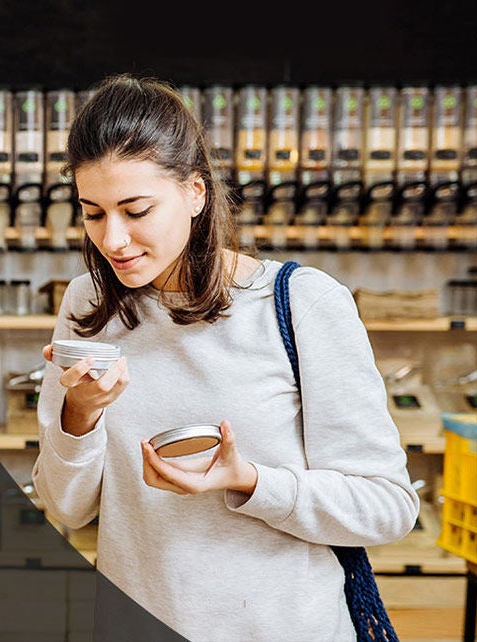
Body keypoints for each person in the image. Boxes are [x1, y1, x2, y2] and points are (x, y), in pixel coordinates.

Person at [30, 75, 418, 641]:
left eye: (137, 211)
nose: (112, 240)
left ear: (195, 192)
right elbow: (67, 508)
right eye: (93, 213)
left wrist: (250, 482)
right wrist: (80, 415)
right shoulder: (89, 305)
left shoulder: (301, 304)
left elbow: (387, 507)